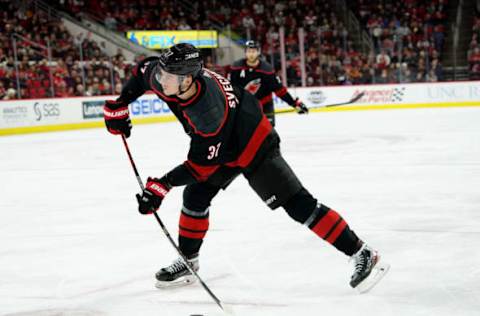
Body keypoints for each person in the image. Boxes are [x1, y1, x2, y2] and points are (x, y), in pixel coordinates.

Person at [103, 43, 389, 293]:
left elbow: (200, 167)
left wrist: (161, 185)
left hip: (253, 142)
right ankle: (189, 262)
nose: (160, 80)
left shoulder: (208, 112)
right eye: (162, 73)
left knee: (297, 205)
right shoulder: (166, 75)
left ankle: (363, 252)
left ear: (188, 80)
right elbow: (143, 73)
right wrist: (120, 105)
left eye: (168, 77)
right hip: (223, 142)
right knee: (195, 197)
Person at [228, 40, 308, 126]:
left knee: (269, 135)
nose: (251, 54)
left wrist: (294, 104)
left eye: (254, 51)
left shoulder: (267, 70)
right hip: (244, 106)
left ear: (258, 52)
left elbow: (280, 90)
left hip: (265, 106)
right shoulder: (236, 68)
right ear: (245, 52)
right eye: (249, 51)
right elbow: (230, 88)